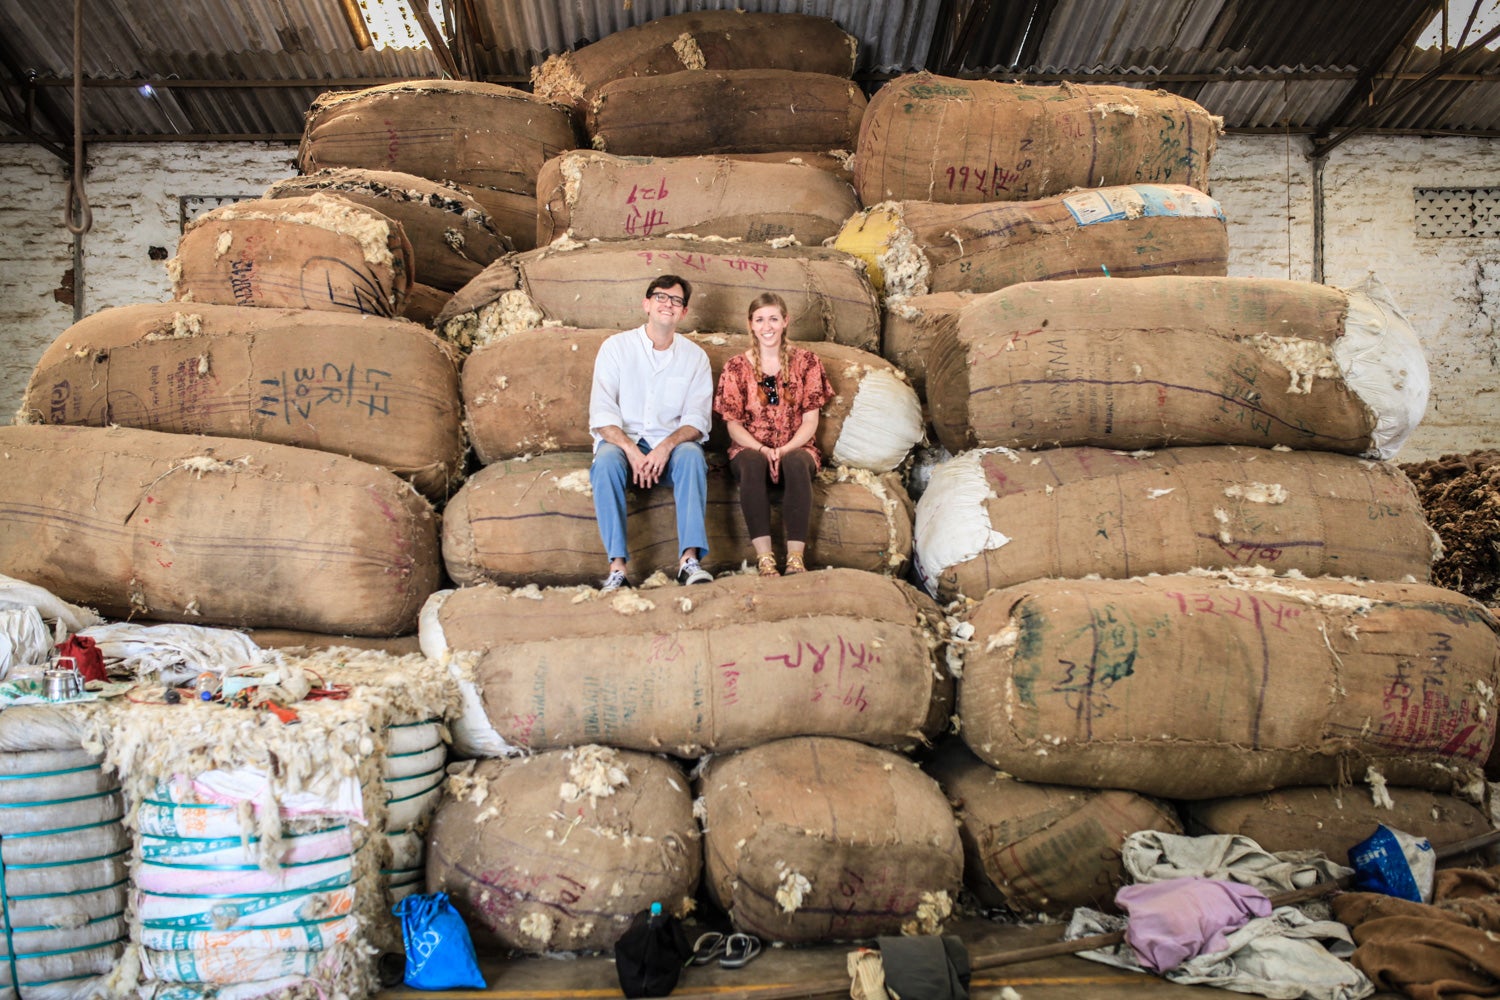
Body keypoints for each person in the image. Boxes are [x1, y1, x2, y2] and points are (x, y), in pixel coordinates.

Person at [589, 274, 715, 592]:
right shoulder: (616, 348)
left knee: (691, 455)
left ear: (684, 312)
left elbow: (697, 419)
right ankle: (617, 568)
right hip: (622, 443)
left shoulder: (695, 357)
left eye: (676, 301)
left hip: (668, 448)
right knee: (604, 462)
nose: (668, 305)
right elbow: (602, 414)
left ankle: (689, 561)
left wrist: (665, 447)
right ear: (646, 304)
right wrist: (632, 450)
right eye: (661, 297)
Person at [713, 292, 834, 576]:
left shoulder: (807, 363)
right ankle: (765, 557)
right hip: (749, 448)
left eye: (773, 319)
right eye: (760, 320)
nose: (767, 326)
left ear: (785, 321)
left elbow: (810, 420)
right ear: (751, 325)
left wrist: (786, 448)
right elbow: (733, 425)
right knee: (752, 463)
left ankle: (795, 558)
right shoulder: (735, 367)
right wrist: (763, 449)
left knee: (795, 462)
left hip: (798, 445)